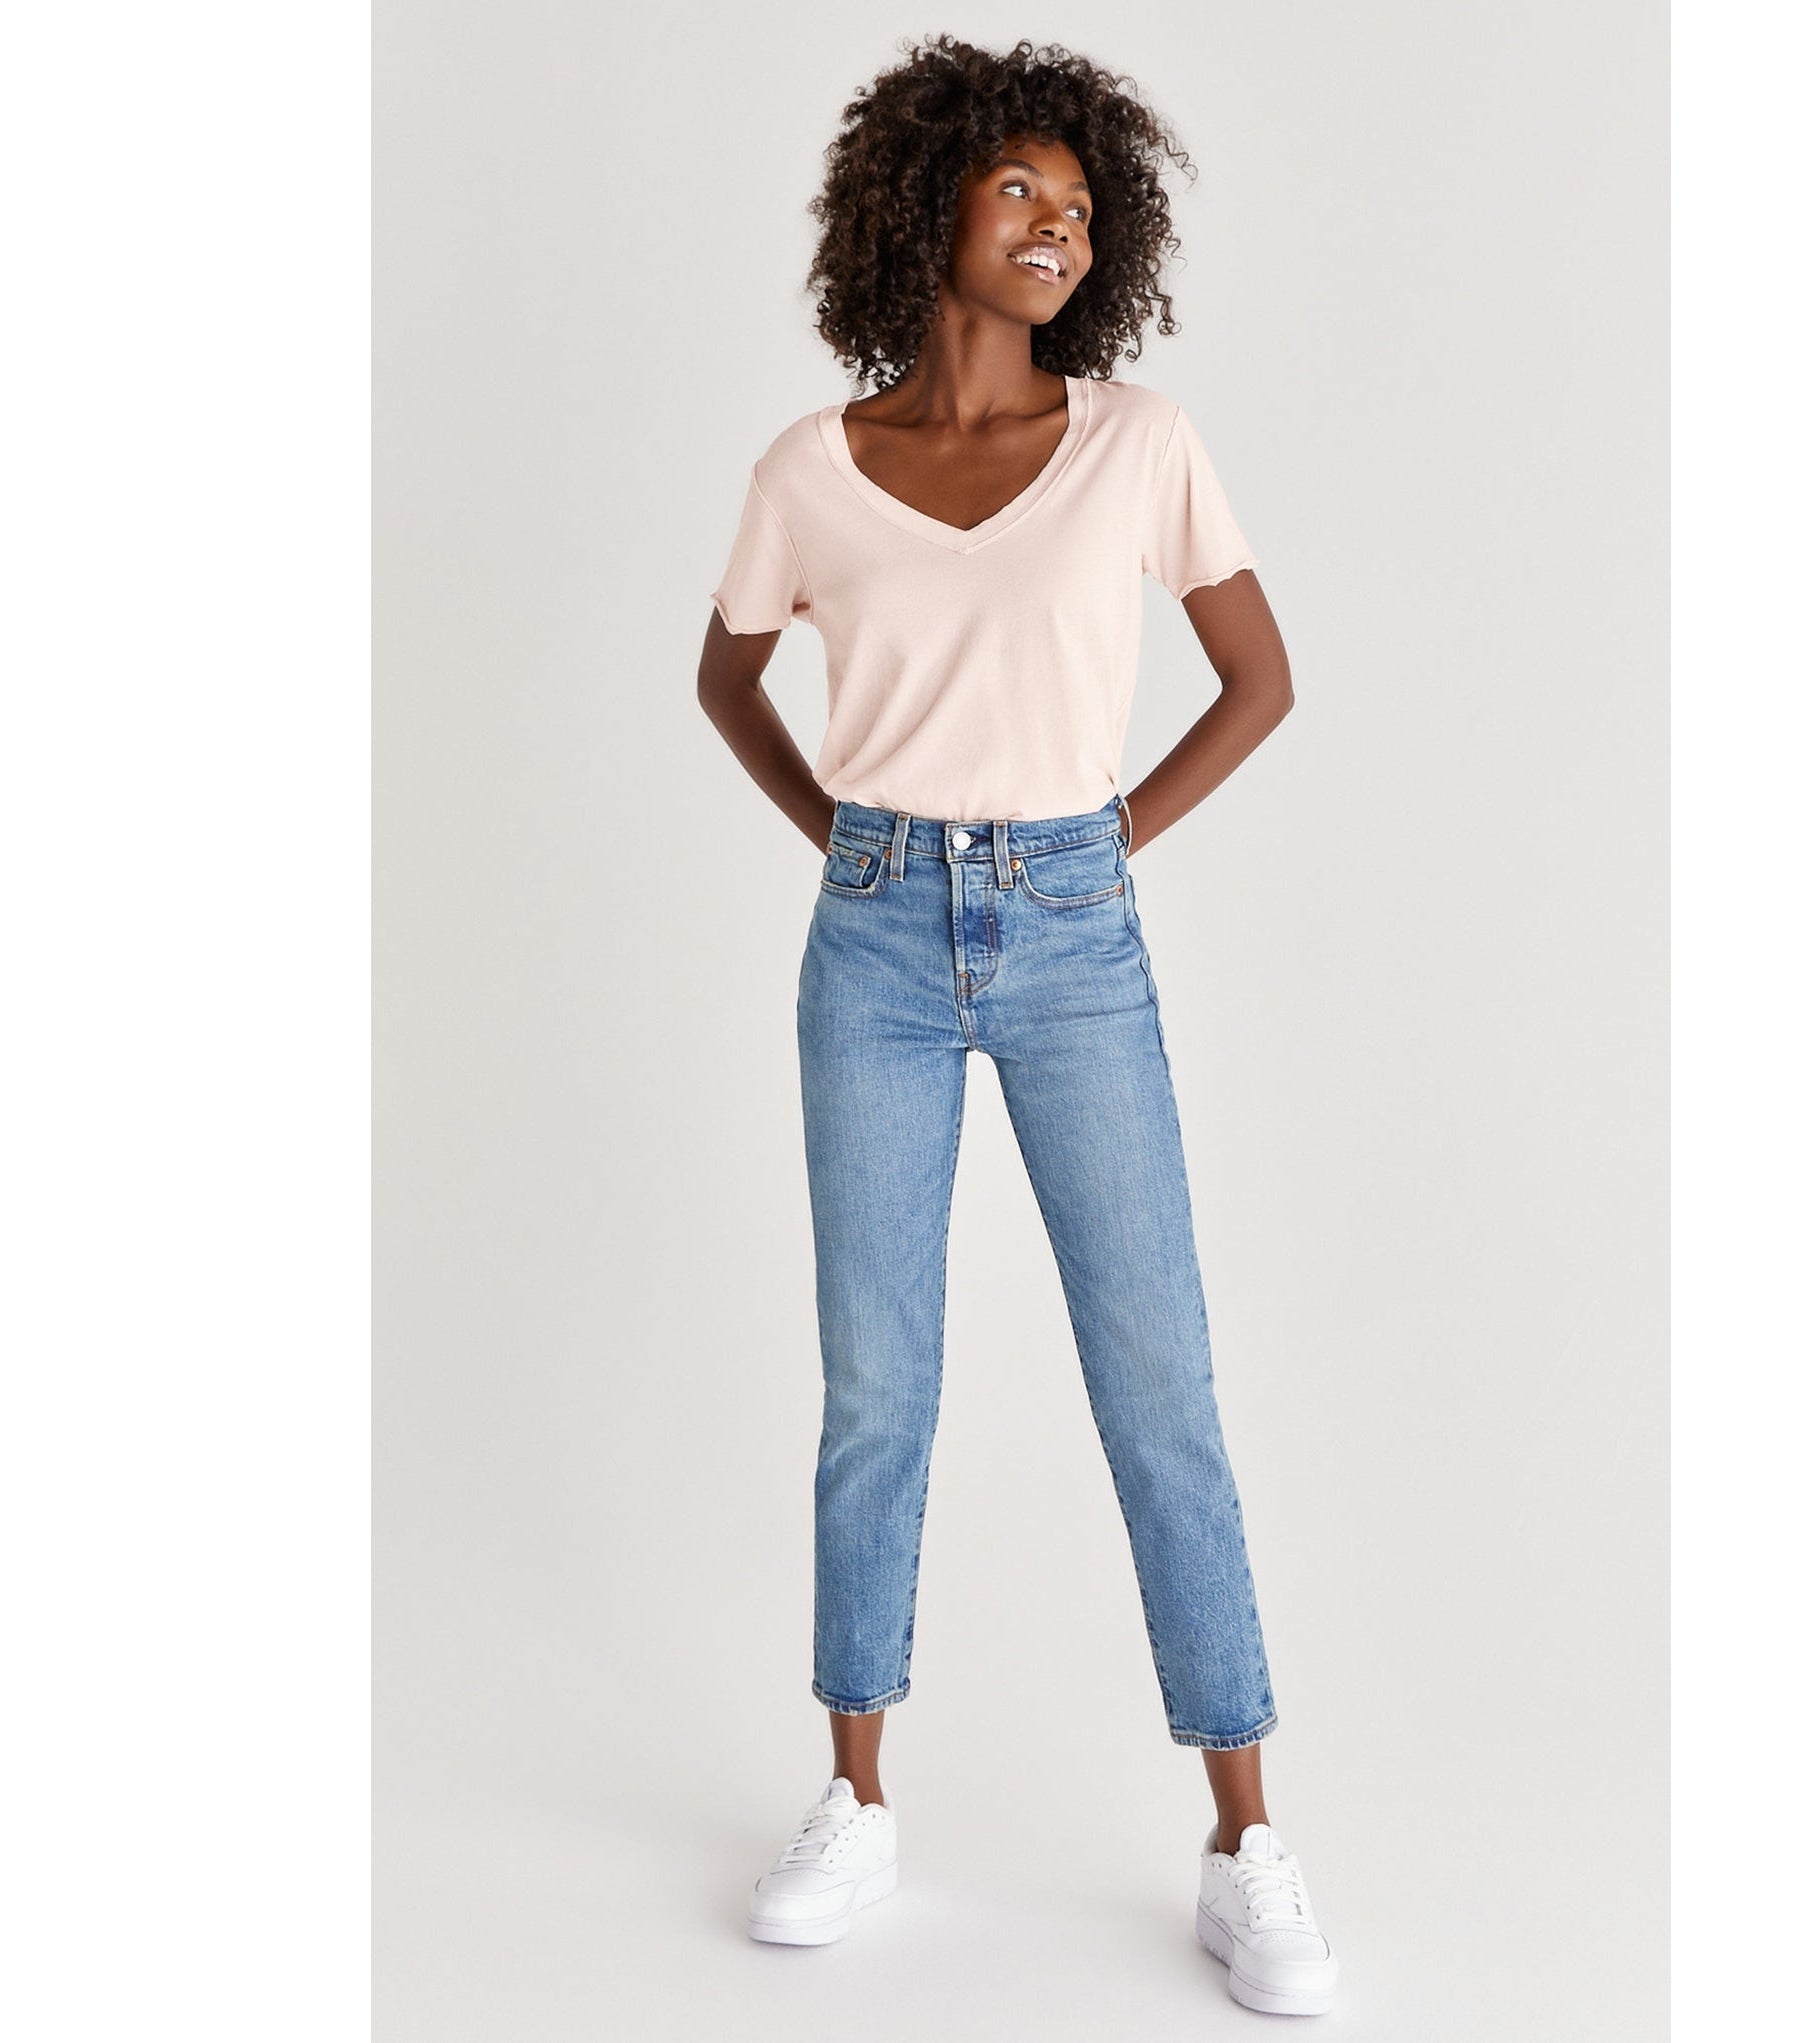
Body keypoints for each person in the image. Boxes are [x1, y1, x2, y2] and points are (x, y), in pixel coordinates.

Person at [697, 35, 1338, 2016]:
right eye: (1019, 194)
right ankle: (854, 1796)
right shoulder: (807, 472)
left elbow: (1258, 679)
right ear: (927, 210)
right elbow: (727, 679)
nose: (1058, 226)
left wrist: (1101, 840)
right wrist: (848, 840)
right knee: (876, 1388)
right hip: (873, 947)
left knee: (1161, 1387)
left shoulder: (1139, 443)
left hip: (1074, 939)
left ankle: (1244, 1841)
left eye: (1079, 204)